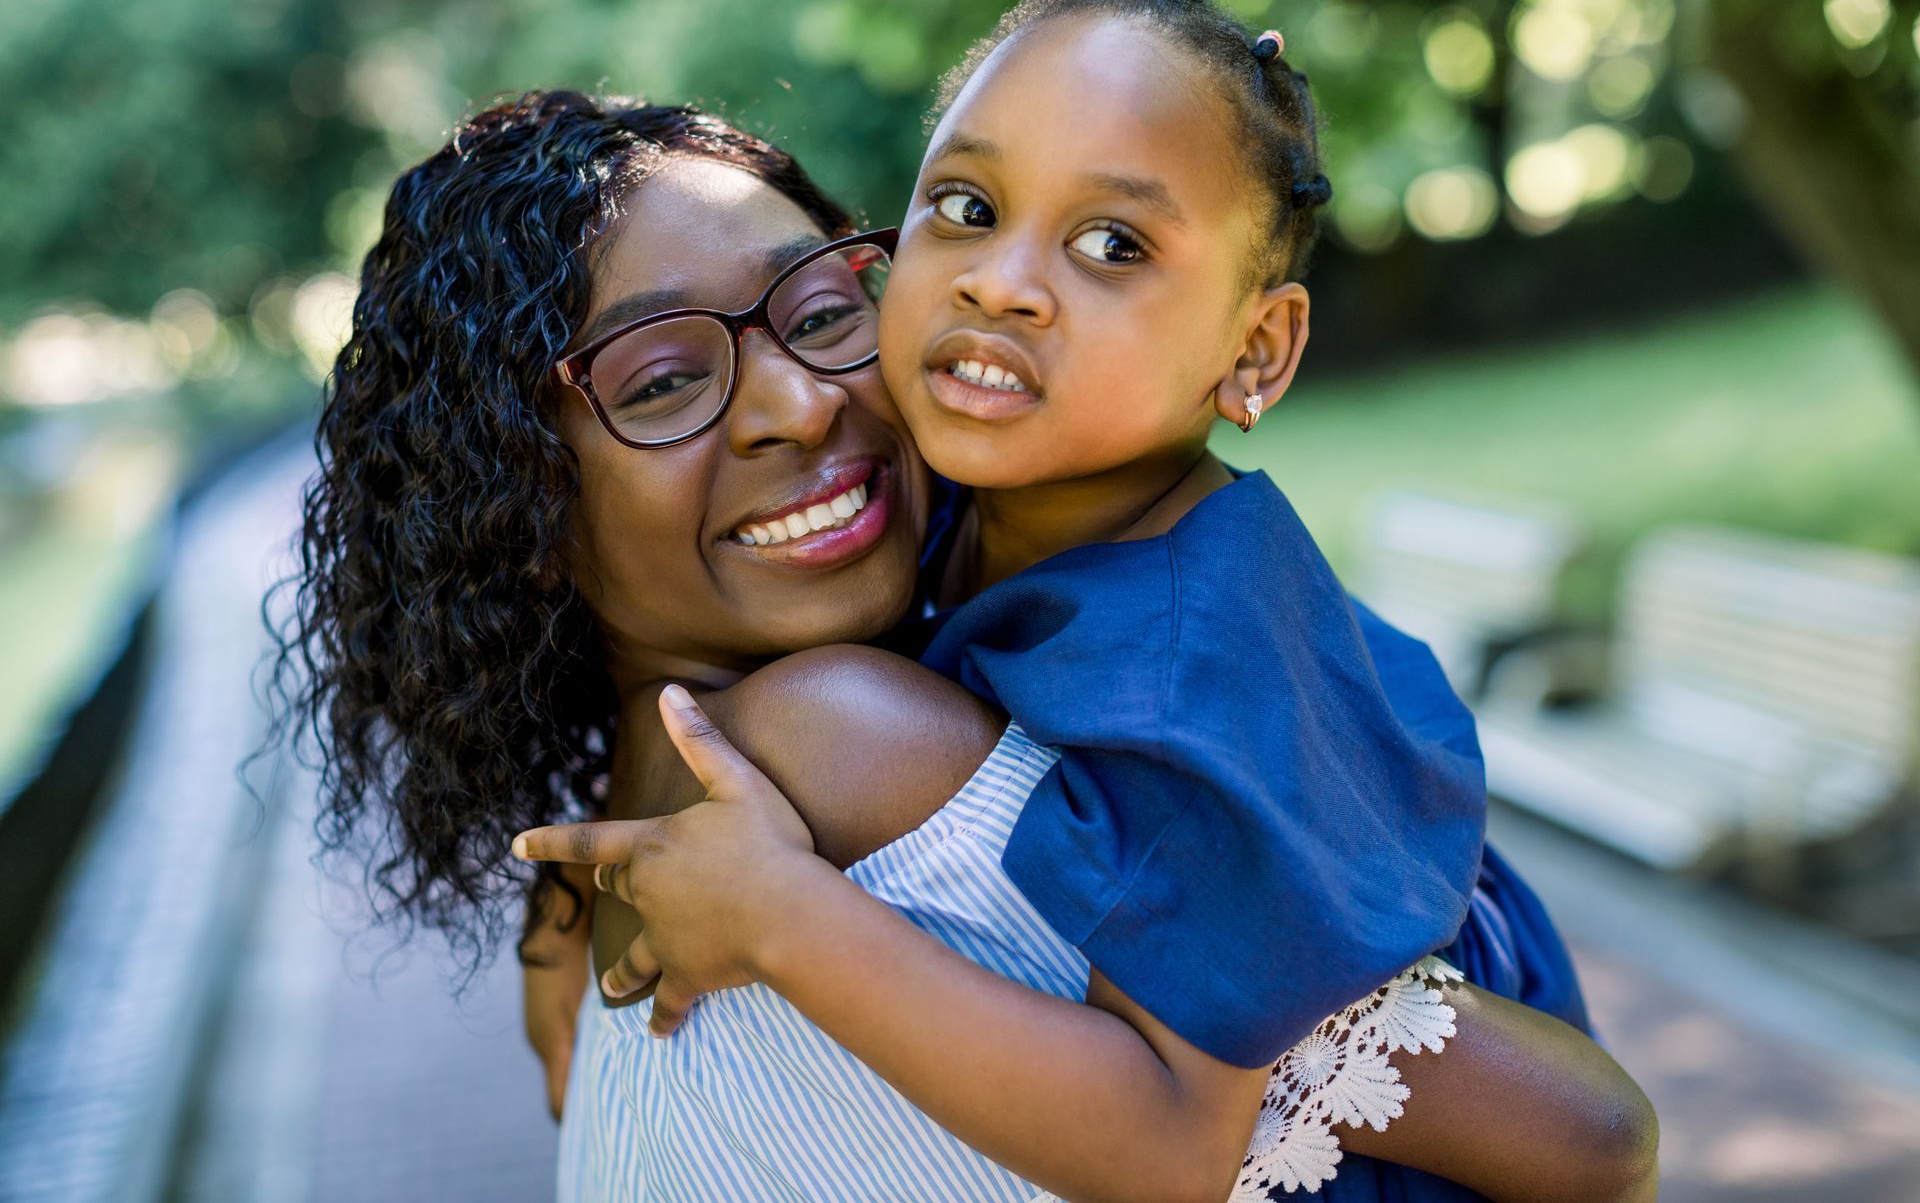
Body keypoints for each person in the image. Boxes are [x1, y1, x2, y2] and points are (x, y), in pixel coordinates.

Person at [276, 88, 1651, 1203]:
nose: (804, 407)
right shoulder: (799, 753)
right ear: (522, 508)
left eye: (819, 311)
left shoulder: (807, 752)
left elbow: (1584, 1133)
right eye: (666, 381)